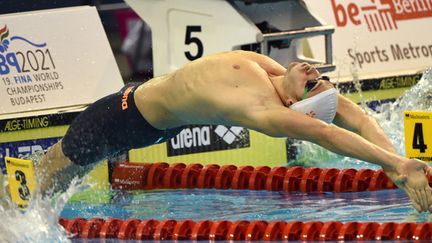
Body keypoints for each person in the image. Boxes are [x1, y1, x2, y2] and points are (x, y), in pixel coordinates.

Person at [24, 51, 432, 212]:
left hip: (126, 116)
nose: (313, 72)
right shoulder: (274, 74)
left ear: (295, 106)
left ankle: (24, 217)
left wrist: (391, 164)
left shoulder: (265, 109)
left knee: (55, 163)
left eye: (312, 84)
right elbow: (355, 116)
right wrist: (399, 164)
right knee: (67, 174)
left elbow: (327, 134)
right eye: (317, 74)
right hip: (140, 110)